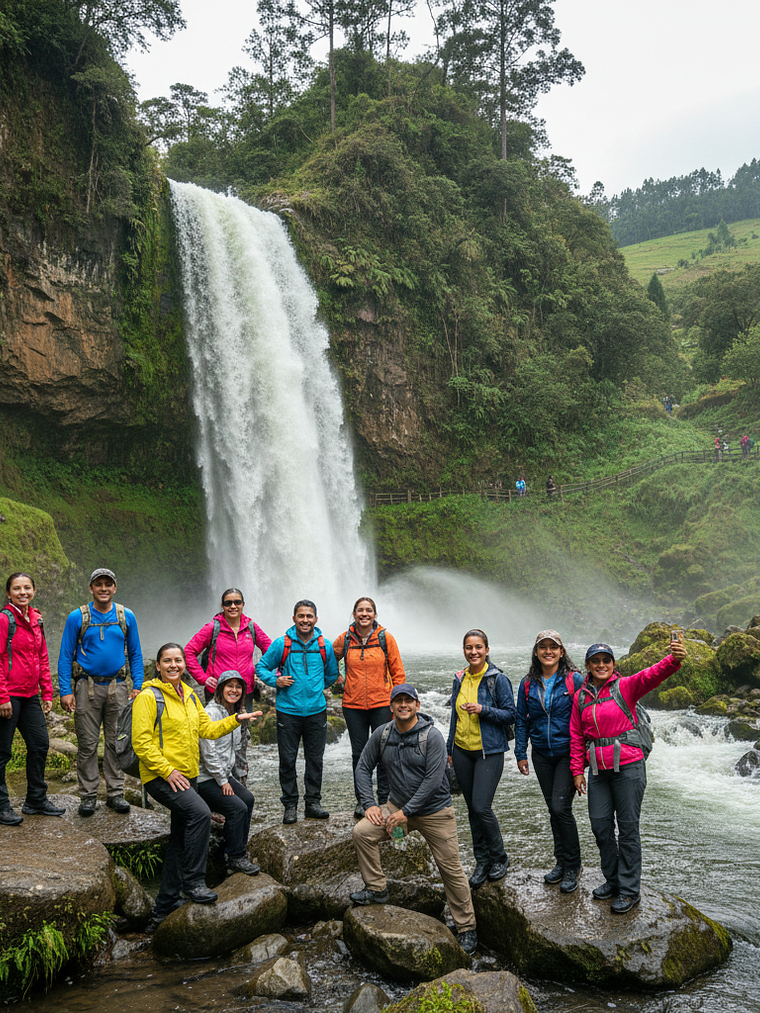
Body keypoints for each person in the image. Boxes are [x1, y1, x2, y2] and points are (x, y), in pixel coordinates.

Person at [132, 644, 260, 933]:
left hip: (185, 777)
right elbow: (142, 742)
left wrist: (235, 720)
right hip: (161, 776)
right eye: (168, 661)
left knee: (180, 837)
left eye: (178, 660)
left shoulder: (189, 695)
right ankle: (194, 883)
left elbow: (207, 730)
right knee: (201, 813)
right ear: (159, 665)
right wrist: (167, 770)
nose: (174, 665)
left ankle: (163, 907)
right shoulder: (148, 697)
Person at [351, 683, 478, 955]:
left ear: (418, 706)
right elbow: (362, 768)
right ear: (391, 706)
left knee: (451, 868)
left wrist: (404, 813)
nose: (403, 705)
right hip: (396, 808)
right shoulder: (382, 734)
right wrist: (369, 804)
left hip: (435, 812)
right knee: (362, 832)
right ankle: (376, 889)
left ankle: (466, 927)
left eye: (409, 701)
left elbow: (433, 781)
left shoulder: (432, 737)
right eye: (398, 701)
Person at [570, 638, 687, 914]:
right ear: (588, 666)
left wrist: (675, 659)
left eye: (606, 660)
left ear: (613, 665)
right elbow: (576, 736)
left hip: (629, 768)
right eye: (595, 661)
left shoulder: (625, 686)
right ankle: (612, 880)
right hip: (598, 771)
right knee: (600, 827)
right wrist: (577, 771)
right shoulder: (581, 697)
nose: (601, 665)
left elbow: (653, 675)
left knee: (628, 829)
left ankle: (629, 890)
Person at [58, 568, 144, 816]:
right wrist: (66, 690)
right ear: (91, 588)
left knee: (117, 742)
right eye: (99, 584)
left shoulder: (126, 616)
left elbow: (136, 654)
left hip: (118, 687)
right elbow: (65, 655)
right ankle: (88, 796)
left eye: (108, 584)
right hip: (86, 686)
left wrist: (137, 686)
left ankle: (116, 793)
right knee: (87, 744)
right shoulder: (77, 617)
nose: (103, 588)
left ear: (114, 588)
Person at [257, 600, 339, 824]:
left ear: (315, 619)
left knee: (315, 760)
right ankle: (290, 805)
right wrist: (276, 680)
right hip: (288, 711)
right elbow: (261, 667)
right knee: (287, 759)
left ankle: (312, 803)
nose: (305, 620)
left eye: (309, 616)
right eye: (301, 616)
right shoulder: (281, 644)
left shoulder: (325, 645)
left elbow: (332, 673)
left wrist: (316, 688)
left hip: (316, 711)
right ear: (294, 618)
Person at [515, 630, 584, 893]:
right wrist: (521, 753)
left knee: (560, 808)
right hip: (541, 754)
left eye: (553, 647)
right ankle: (561, 862)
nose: (548, 651)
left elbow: (584, 715)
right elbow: (522, 719)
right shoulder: (527, 684)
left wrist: (583, 758)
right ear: (535, 652)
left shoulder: (573, 680)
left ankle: (573, 865)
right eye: (542, 647)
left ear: (561, 652)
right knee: (553, 810)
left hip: (568, 752)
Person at [446, 629, 515, 890]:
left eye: (478, 647)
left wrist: (483, 710)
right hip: (462, 750)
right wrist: (449, 748)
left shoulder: (497, 679)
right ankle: (482, 861)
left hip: (489, 751)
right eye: (468, 647)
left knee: (481, 807)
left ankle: (499, 858)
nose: (473, 652)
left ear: (487, 650)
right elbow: (454, 715)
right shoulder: (459, 678)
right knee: (471, 808)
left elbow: (511, 714)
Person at [332, 597, 406, 819]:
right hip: (352, 705)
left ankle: (384, 799)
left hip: (382, 703)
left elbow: (398, 672)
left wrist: (399, 702)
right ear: (354, 614)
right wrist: (336, 677)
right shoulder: (345, 639)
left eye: (369, 610)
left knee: (385, 752)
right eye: (360, 610)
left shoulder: (385, 638)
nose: (364, 614)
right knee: (359, 754)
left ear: (374, 614)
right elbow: (327, 658)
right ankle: (363, 801)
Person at [0, 573, 65, 825]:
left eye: (27, 587)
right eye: (17, 588)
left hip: (30, 696)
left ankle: (35, 799)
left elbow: (42, 657)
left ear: (34, 591)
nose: (22, 592)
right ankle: (2, 804)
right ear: (9, 594)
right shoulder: (5, 620)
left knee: (40, 744)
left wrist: (47, 692)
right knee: (2, 752)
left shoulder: (37, 620)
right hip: (9, 695)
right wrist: (2, 696)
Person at [197, 669, 262, 876]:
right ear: (220, 689)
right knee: (236, 808)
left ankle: (234, 849)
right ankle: (236, 858)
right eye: (229, 686)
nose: (234, 690)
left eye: (238, 687)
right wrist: (223, 781)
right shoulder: (212, 713)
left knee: (248, 799)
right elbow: (208, 752)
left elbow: (234, 751)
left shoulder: (235, 714)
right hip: (206, 778)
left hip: (222, 776)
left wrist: (232, 777)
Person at [185, 589, 272, 710]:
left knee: (243, 727)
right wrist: (203, 678)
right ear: (222, 605)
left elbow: (270, 650)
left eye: (237, 602)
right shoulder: (213, 627)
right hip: (218, 690)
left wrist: (261, 671)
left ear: (243, 604)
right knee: (219, 726)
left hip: (245, 690)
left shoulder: (251, 627)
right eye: (228, 603)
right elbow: (188, 652)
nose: (233, 606)